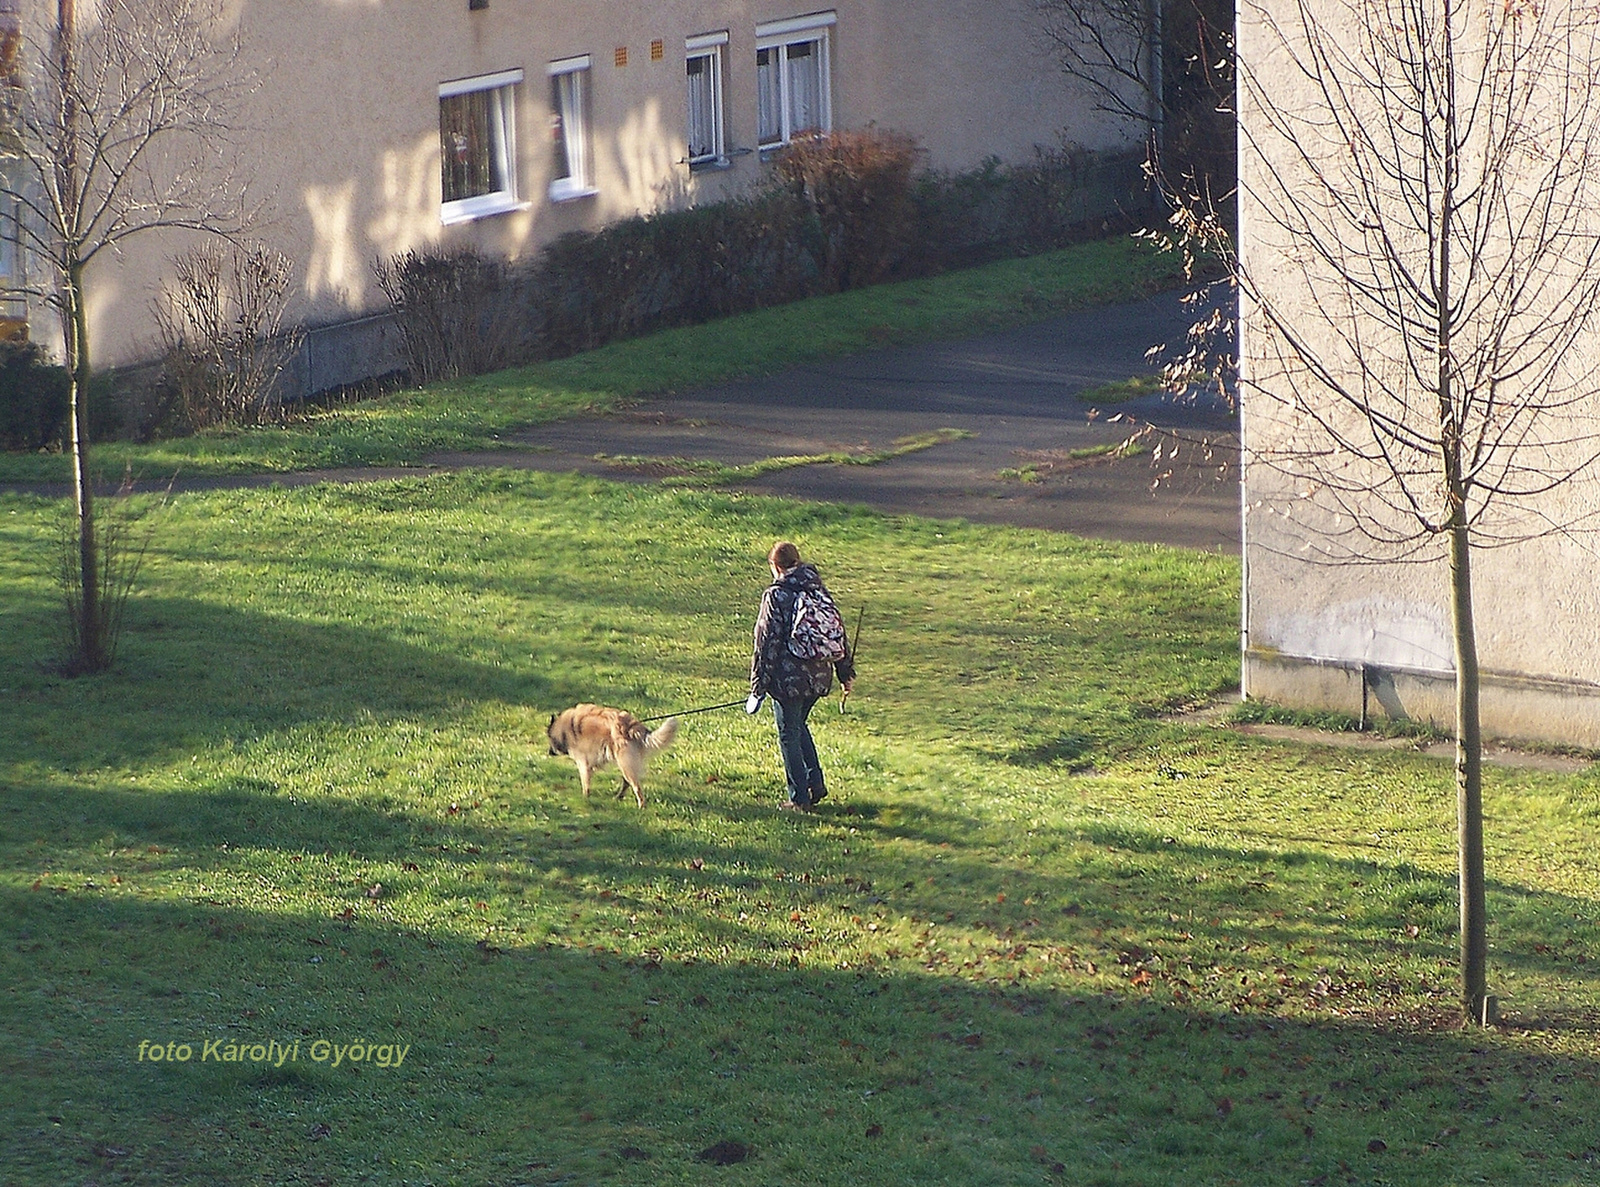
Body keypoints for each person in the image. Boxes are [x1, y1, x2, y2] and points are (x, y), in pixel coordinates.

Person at [748, 540, 855, 811]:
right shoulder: (817, 588)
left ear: (775, 566)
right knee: (798, 727)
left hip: (788, 679)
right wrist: (845, 672)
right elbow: (837, 632)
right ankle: (814, 784)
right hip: (820, 675)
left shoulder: (777, 595)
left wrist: (757, 688)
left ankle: (799, 799)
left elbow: (766, 643)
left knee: (788, 734)